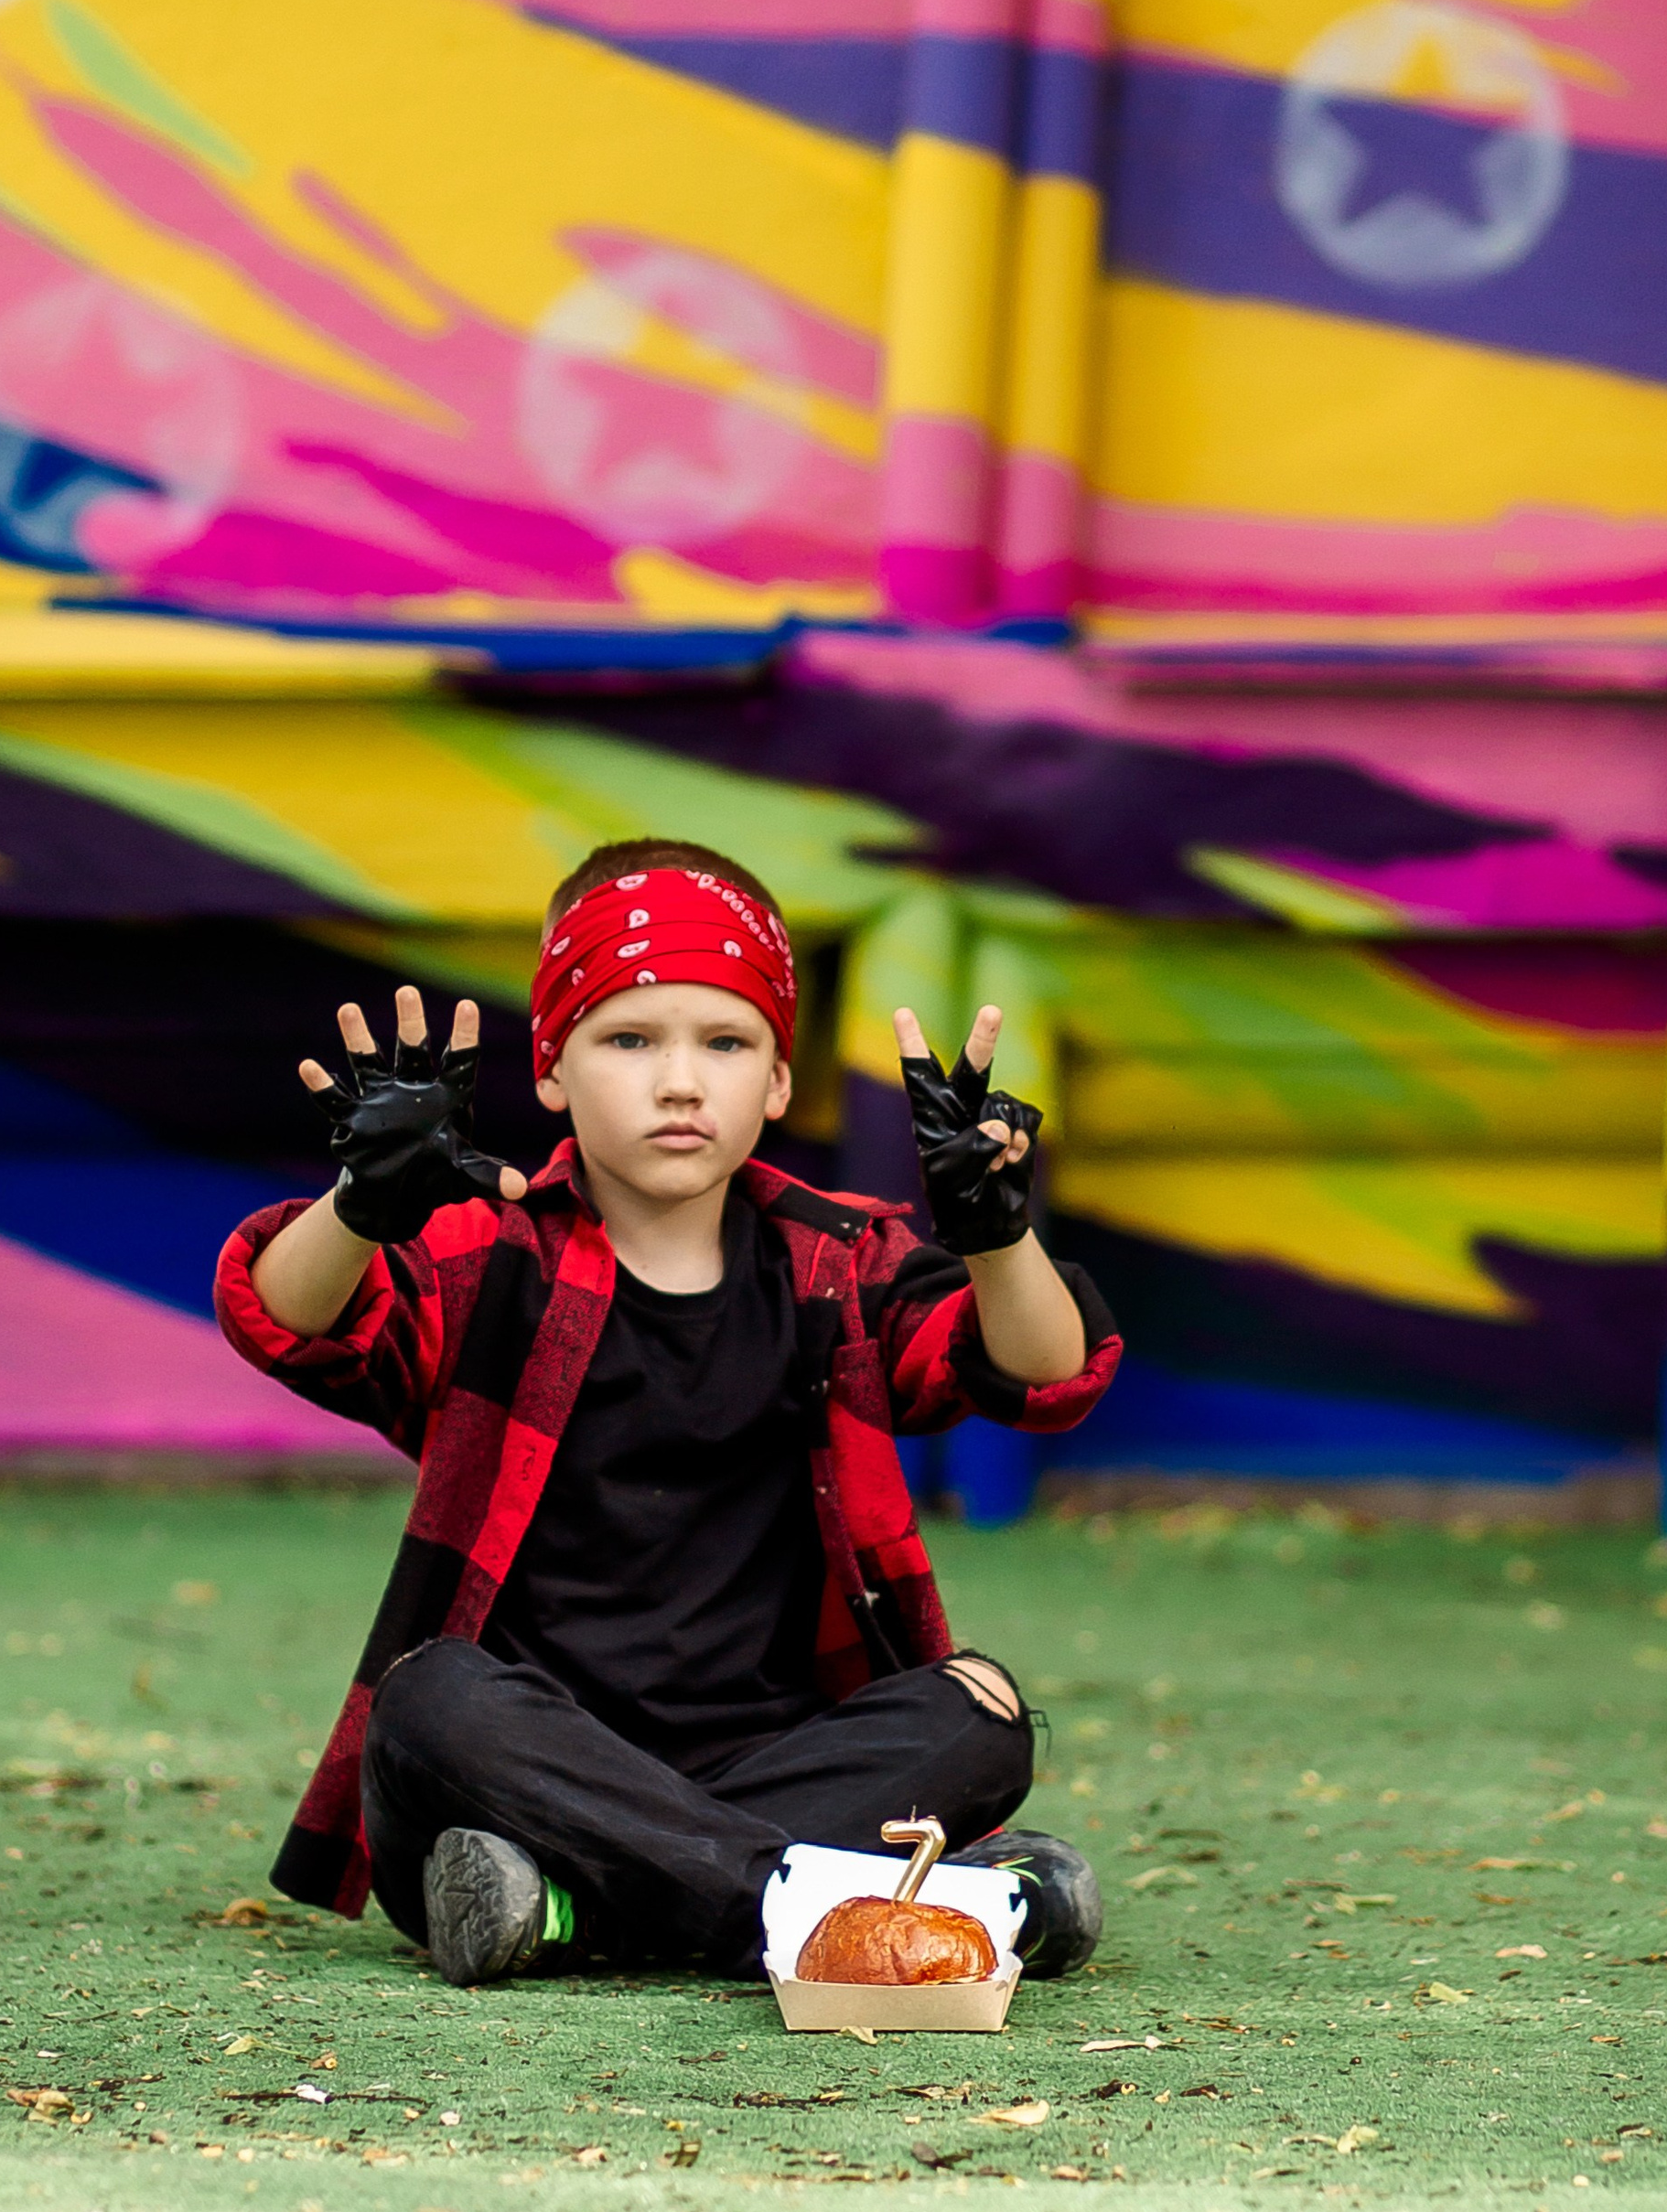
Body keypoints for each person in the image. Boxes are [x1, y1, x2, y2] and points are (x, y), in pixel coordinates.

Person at [213, 838, 1121, 1988]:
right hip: (524, 1768)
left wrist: (997, 1233)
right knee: (427, 1694)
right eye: (628, 1040)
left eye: (726, 1042)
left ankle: (577, 1915)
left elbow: (1040, 1375)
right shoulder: (492, 1249)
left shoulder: (839, 1258)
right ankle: (896, 1910)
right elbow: (291, 1320)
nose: (679, 1081)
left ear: (779, 1081)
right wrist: (360, 1204)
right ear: (550, 1070)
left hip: (770, 1759)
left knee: (979, 1713)